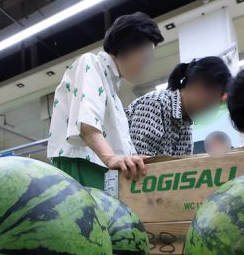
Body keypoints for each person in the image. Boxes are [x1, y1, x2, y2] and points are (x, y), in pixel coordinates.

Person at [47, 12, 164, 188]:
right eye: (145, 58)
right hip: (83, 163)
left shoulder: (113, 90)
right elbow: (87, 123)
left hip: (99, 165)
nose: (145, 66)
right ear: (127, 47)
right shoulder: (91, 63)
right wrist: (110, 158)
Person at [127, 57, 232, 157]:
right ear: (196, 85)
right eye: (210, 102)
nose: (208, 110)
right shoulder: (155, 104)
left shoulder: (185, 127)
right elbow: (139, 164)